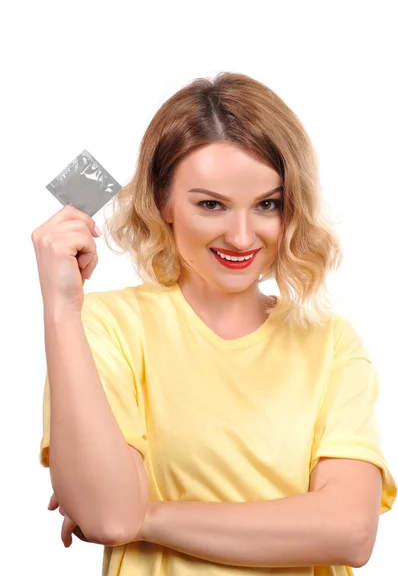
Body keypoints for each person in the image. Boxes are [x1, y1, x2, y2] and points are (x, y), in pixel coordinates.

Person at [33, 72, 397, 576]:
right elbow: (109, 517)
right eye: (211, 204)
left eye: (267, 204)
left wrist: (150, 515)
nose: (243, 236)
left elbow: (350, 532)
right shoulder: (105, 326)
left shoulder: (330, 342)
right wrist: (58, 304)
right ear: (164, 203)